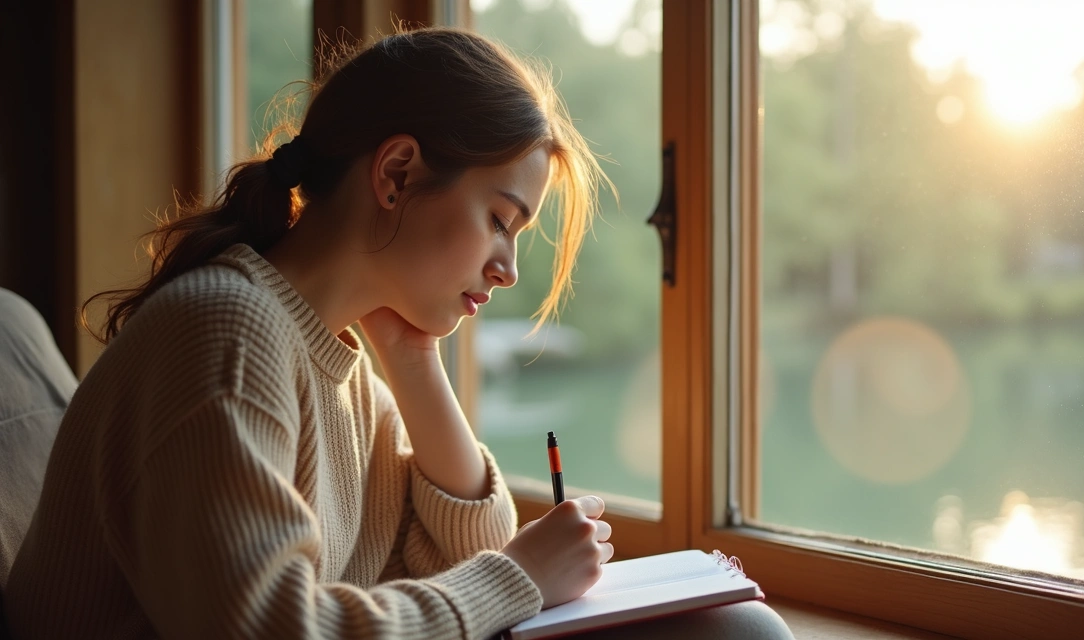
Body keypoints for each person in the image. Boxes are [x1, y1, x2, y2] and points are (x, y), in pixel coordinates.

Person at [3, 26, 791, 640]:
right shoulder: (225, 334)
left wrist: (414, 362)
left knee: (739, 626)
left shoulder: (340, 358)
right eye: (499, 221)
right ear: (397, 174)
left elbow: (457, 560)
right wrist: (518, 578)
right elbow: (274, 629)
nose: (507, 268)